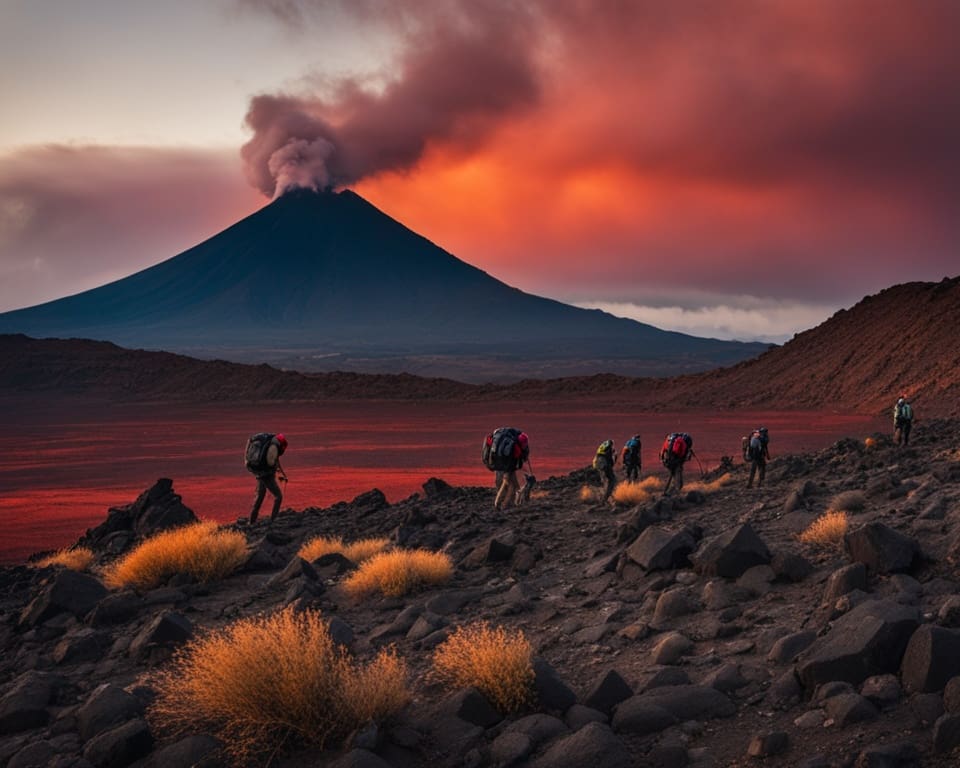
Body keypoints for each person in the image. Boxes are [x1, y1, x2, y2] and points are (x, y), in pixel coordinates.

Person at [482, 428, 529, 511]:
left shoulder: (505, 441)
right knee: (512, 486)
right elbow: (515, 463)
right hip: (507, 468)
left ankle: (498, 503)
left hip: (500, 464)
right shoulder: (515, 447)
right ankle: (504, 505)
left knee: (505, 484)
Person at [246, 433, 288, 524]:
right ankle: (273, 520)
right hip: (266, 474)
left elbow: (275, 461)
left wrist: (282, 474)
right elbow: (272, 462)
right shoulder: (274, 447)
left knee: (260, 497)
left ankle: (251, 521)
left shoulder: (269, 443)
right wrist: (281, 474)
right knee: (278, 496)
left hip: (258, 471)